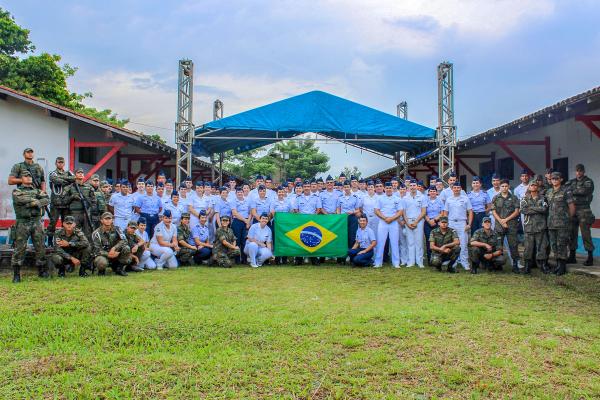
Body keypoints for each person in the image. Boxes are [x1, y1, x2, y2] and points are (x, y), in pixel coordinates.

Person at [10, 170, 50, 282]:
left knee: (40, 246)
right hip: (22, 222)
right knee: (20, 248)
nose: (28, 178)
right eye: (25, 176)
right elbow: (19, 199)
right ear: (21, 179)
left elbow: (47, 199)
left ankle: (42, 271)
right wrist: (35, 201)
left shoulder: (37, 190)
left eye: (30, 176)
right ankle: (16, 274)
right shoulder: (16, 191)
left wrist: (34, 203)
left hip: (37, 222)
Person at [546, 171, 576, 275]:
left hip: (563, 224)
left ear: (561, 179)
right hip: (551, 224)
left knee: (562, 244)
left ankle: (562, 266)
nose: (554, 180)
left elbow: (572, 207)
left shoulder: (566, 191)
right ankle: (558, 264)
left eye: (556, 178)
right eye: (553, 179)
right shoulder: (549, 192)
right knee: (554, 245)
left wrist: (567, 219)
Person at [567, 164, 595, 266]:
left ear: (583, 171)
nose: (578, 172)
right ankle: (572, 256)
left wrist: (571, 191)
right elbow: (565, 189)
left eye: (580, 171)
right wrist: (570, 191)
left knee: (585, 234)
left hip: (584, 210)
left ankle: (590, 257)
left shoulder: (588, 181)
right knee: (572, 233)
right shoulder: (572, 181)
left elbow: (584, 191)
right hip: (573, 209)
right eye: (577, 171)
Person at [491, 179, 521, 273]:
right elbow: (493, 211)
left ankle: (515, 265)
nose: (504, 188)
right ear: (500, 187)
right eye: (502, 186)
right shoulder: (496, 198)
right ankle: (498, 265)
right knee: (498, 246)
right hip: (499, 225)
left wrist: (505, 220)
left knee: (513, 245)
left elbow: (516, 212)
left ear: (508, 187)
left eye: (506, 186)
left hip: (511, 225)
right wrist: (500, 220)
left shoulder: (514, 198)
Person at [520, 180, 549, 274]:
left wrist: (531, 207)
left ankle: (543, 265)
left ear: (537, 187)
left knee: (542, 247)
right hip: (529, 227)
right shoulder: (524, 198)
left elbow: (544, 209)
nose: (533, 186)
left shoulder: (543, 198)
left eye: (535, 185)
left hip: (540, 226)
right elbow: (524, 210)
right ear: (529, 187)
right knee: (528, 247)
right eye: (531, 185)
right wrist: (537, 209)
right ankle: (527, 266)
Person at [443, 181, 473, 270]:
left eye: (458, 188)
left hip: (462, 223)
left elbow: (470, 211)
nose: (456, 189)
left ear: (460, 189)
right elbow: (445, 212)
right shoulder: (449, 199)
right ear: (452, 189)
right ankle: (453, 262)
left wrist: (469, 224)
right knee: (452, 244)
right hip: (451, 223)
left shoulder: (465, 199)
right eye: (455, 188)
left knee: (463, 243)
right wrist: (446, 223)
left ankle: (465, 263)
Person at [373, 182, 404, 268]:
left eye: (390, 188)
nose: (389, 189)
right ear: (384, 189)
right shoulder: (380, 198)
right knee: (381, 242)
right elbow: (376, 210)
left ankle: (396, 263)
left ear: (392, 188)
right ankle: (378, 262)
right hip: (383, 222)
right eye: (387, 188)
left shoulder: (397, 199)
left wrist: (392, 218)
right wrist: (385, 218)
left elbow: (400, 211)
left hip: (394, 222)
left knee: (394, 242)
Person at [91, 212, 131, 276]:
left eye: (109, 219)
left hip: (115, 252)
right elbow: (96, 250)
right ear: (101, 220)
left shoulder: (117, 229)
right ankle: (101, 271)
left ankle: (119, 269)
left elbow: (124, 240)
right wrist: (109, 254)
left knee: (126, 248)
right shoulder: (96, 233)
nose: (108, 220)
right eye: (106, 219)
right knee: (101, 262)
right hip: (103, 255)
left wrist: (114, 248)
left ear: (112, 220)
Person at [47, 156, 75, 246]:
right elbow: (56, 181)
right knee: (52, 223)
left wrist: (65, 179)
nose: (60, 164)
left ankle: (64, 241)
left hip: (66, 203)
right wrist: (67, 180)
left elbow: (74, 179)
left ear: (64, 163)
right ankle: (50, 241)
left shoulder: (69, 172)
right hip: (56, 203)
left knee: (66, 223)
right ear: (56, 163)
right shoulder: (53, 173)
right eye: (59, 162)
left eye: (62, 162)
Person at [66, 168, 97, 238]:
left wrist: (91, 211)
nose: (80, 174)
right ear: (75, 175)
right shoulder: (70, 187)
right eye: (78, 172)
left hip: (86, 213)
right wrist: (72, 197)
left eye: (82, 173)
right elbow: (64, 201)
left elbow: (94, 201)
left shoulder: (89, 187)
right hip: (74, 213)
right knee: (73, 233)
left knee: (87, 233)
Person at [403, 179, 426, 268]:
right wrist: (407, 223)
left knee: (419, 242)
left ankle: (419, 262)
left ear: (417, 186)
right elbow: (403, 212)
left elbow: (423, 211)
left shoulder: (422, 197)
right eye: (411, 186)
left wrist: (416, 221)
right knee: (410, 242)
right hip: (408, 221)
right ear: (409, 187)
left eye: (414, 185)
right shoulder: (405, 198)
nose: (412, 187)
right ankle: (411, 262)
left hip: (419, 221)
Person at [230, 187, 252, 263]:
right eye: (238, 192)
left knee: (244, 241)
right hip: (237, 222)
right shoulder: (233, 201)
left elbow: (250, 212)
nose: (239, 194)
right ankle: (237, 260)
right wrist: (245, 220)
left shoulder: (248, 201)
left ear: (243, 193)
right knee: (237, 241)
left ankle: (244, 259)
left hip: (246, 222)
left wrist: (248, 222)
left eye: (241, 192)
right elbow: (234, 213)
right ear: (236, 194)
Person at [337, 181, 361, 249]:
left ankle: (351, 252)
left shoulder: (355, 197)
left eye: (348, 187)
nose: (346, 188)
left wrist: (352, 212)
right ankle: (343, 252)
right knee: (343, 234)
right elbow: (338, 208)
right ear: (343, 188)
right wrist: (339, 216)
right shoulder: (340, 197)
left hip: (352, 218)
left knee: (352, 235)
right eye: (345, 187)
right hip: (343, 218)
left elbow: (358, 209)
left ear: (350, 187)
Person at [424, 186, 444, 264]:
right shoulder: (425, 201)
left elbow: (442, 213)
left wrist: (435, 220)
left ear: (436, 192)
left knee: (438, 241)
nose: (432, 192)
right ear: (428, 193)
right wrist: (429, 220)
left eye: (434, 191)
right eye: (431, 191)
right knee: (429, 241)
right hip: (427, 222)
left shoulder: (440, 201)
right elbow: (424, 212)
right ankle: (430, 260)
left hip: (437, 222)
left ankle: (438, 259)